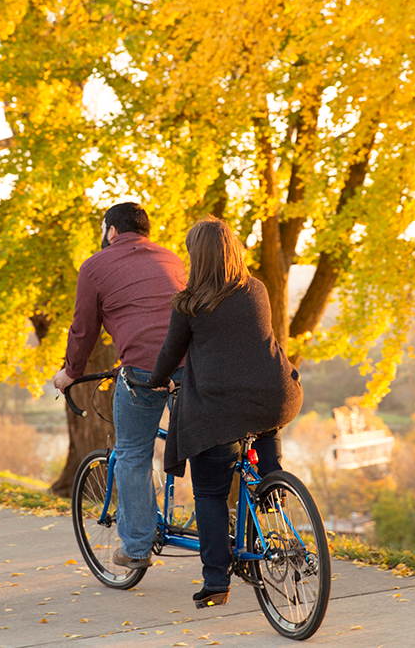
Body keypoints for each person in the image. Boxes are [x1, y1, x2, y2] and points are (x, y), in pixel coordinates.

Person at [148, 215, 302, 609]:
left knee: (210, 492)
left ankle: (216, 581)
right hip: (277, 394)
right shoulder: (257, 290)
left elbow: (170, 353)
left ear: (196, 257)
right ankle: (273, 484)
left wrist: (155, 379)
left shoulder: (190, 303)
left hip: (219, 410)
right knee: (264, 421)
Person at [52, 202, 186, 570]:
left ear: (111, 231)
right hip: (190, 367)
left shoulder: (95, 266)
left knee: (132, 454)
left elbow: (83, 330)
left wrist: (70, 373)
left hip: (144, 371)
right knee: (202, 446)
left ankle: (138, 548)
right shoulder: (171, 259)